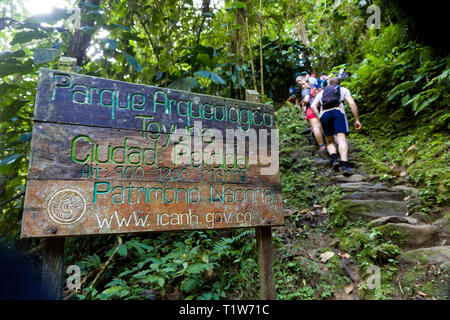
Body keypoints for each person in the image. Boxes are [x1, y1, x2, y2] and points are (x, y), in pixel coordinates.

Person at [310, 76, 361, 176]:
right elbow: (352, 104)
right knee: (341, 139)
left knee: (329, 141)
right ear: (339, 84)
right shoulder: (343, 90)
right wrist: (357, 120)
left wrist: (320, 118)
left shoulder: (322, 92)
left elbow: (312, 106)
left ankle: (334, 160)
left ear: (329, 84)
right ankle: (345, 166)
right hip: (338, 112)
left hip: (324, 115)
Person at [297, 76, 328, 159]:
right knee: (321, 126)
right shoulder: (318, 87)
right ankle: (329, 143)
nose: (302, 85)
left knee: (315, 127)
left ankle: (322, 146)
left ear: (307, 82)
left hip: (311, 109)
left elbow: (306, 100)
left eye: (303, 83)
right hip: (321, 108)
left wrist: (302, 102)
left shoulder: (306, 90)